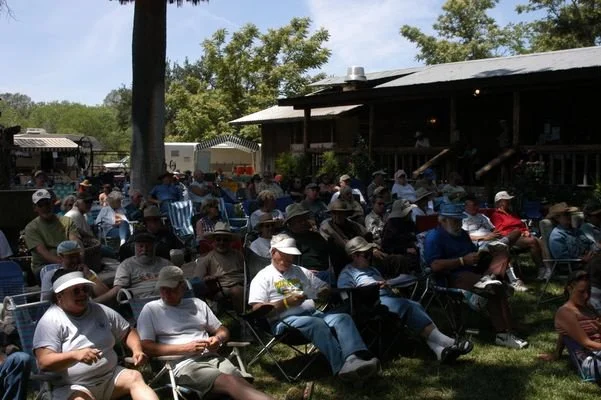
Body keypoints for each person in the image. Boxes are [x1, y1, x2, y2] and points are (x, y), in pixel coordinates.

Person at [248, 234, 380, 382]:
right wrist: (286, 302)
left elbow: (323, 287)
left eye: (292, 256)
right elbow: (257, 310)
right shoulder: (263, 277)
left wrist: (324, 291)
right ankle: (342, 367)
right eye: (285, 255)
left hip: (312, 314)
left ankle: (355, 358)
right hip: (284, 322)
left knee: (342, 318)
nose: (289, 260)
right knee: (316, 323)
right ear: (273, 253)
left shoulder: (299, 271)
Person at [137, 266, 273, 400]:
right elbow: (146, 346)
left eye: (171, 289)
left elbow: (222, 330)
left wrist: (218, 339)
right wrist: (185, 349)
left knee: (242, 383)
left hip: (213, 358)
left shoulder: (197, 304)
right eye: (163, 289)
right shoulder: (151, 310)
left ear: (182, 287)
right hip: (184, 366)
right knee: (231, 383)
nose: (166, 293)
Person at [339, 237, 473, 363]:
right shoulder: (347, 274)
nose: (370, 257)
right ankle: (449, 342)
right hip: (372, 304)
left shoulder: (372, 269)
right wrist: (370, 289)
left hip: (388, 298)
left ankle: (440, 351)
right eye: (366, 255)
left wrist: (390, 282)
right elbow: (347, 298)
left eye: (370, 253)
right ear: (354, 256)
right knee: (408, 305)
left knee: (414, 305)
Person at [33, 270, 158, 400]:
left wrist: (136, 350)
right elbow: (44, 362)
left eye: (85, 289)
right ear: (60, 296)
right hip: (74, 386)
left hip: (110, 378)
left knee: (135, 377)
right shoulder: (50, 321)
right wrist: (75, 355)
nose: (82, 294)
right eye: (76, 291)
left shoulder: (100, 310)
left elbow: (127, 332)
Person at [424, 203, 528, 349]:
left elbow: (473, 252)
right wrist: (462, 260)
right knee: (496, 288)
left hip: (472, 270)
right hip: (451, 277)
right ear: (442, 221)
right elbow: (434, 265)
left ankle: (487, 280)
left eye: (460, 220)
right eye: (455, 221)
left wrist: (481, 254)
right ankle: (504, 334)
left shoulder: (462, 234)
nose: (459, 224)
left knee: (503, 251)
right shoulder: (434, 237)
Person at [540, 271, 601, 382]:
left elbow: (564, 333)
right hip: (589, 360)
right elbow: (586, 342)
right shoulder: (566, 312)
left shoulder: (589, 307)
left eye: (589, 291)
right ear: (569, 288)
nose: (586, 296)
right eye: (581, 292)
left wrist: (557, 353)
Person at [463, 196, 527, 292]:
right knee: (502, 249)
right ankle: (513, 280)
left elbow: (494, 230)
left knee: (516, 232)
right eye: (474, 205)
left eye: (477, 205)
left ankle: (498, 245)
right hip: (480, 244)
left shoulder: (483, 217)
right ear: (466, 206)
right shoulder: (463, 218)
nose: (477, 207)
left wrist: (498, 235)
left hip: (493, 240)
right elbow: (465, 237)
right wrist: (485, 237)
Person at [95, 232, 172, 304]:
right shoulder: (126, 265)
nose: (144, 250)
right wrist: (94, 302)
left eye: (148, 246)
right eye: (141, 246)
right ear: (135, 247)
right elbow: (117, 289)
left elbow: (179, 280)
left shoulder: (165, 263)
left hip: (166, 299)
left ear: (154, 247)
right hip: (140, 302)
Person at [490, 191, 546, 280]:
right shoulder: (496, 215)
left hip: (521, 236)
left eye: (509, 200)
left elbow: (521, 225)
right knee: (532, 241)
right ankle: (542, 269)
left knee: (541, 241)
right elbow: (499, 231)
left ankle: (549, 267)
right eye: (506, 200)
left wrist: (526, 231)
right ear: (499, 202)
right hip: (510, 238)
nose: (509, 202)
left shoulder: (511, 213)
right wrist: (519, 233)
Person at [24, 189, 80, 276]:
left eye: (47, 204)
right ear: (35, 208)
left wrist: (78, 260)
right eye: (40, 205)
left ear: (52, 204)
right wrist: (66, 264)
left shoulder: (67, 221)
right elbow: (43, 253)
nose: (45, 207)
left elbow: (76, 244)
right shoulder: (31, 228)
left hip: (70, 261)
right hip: (44, 266)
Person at [194, 222, 245, 313]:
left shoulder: (237, 254)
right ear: (214, 241)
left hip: (243, 283)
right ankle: (245, 318)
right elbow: (196, 280)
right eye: (218, 240)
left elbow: (247, 271)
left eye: (225, 240)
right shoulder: (208, 258)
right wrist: (207, 279)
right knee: (237, 290)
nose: (221, 243)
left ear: (230, 241)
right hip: (223, 288)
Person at [40, 240, 110, 302]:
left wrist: (89, 275)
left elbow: (106, 296)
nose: (75, 260)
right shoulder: (51, 275)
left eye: (77, 256)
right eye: (71, 257)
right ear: (60, 258)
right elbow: (46, 302)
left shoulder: (87, 272)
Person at [284, 203, 332, 284]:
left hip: (323, 273)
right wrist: (306, 272)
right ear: (291, 224)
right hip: (299, 277)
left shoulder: (316, 236)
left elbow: (328, 256)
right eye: (299, 221)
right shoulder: (286, 241)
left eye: (304, 219)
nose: (303, 223)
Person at [119, 206, 184, 261]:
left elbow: (182, 248)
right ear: (145, 222)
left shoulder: (167, 234)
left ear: (160, 221)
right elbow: (125, 249)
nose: (153, 223)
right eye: (149, 220)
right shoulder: (139, 235)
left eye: (156, 220)